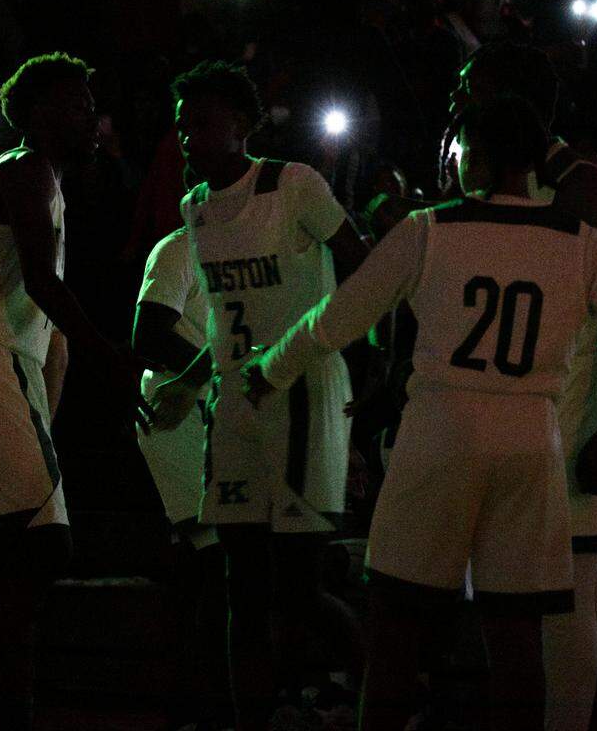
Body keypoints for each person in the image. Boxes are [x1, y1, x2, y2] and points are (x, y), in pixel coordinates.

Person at [242, 94, 597, 731]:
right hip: (534, 440)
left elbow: (333, 321)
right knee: (517, 638)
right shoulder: (583, 244)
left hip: (440, 434)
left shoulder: (431, 228)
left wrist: (268, 369)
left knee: (396, 627)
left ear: (473, 154)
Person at [447, 42, 597, 729]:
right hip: (515, 412)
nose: (456, 96)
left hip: (573, 409)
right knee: (552, 583)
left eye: (472, 82)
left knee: (568, 592)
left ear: (506, 97)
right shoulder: (488, 179)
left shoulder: (582, 184)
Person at [148, 60, 368, 728]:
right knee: (240, 580)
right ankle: (262, 715)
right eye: (183, 127)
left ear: (241, 126)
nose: (189, 137)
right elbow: (218, 316)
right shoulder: (195, 209)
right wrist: (189, 384)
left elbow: (363, 263)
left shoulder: (292, 184)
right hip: (236, 399)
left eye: (203, 124)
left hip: (302, 388)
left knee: (298, 583)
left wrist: (361, 356)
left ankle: (370, 695)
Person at [0, 52, 147, 731]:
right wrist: (108, 357)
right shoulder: (24, 171)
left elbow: (42, 321)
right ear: (40, 112)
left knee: (19, 558)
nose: (93, 118)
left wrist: (57, 387)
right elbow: (40, 286)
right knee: (38, 550)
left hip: (6, 369)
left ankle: (5, 713)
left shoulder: (43, 179)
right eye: (80, 105)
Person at [131, 227, 228, 728]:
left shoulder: (245, 246)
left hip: (215, 409)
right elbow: (147, 334)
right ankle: (208, 706)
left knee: (206, 567)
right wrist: (195, 377)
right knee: (216, 561)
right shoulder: (178, 249)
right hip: (178, 413)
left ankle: (194, 702)